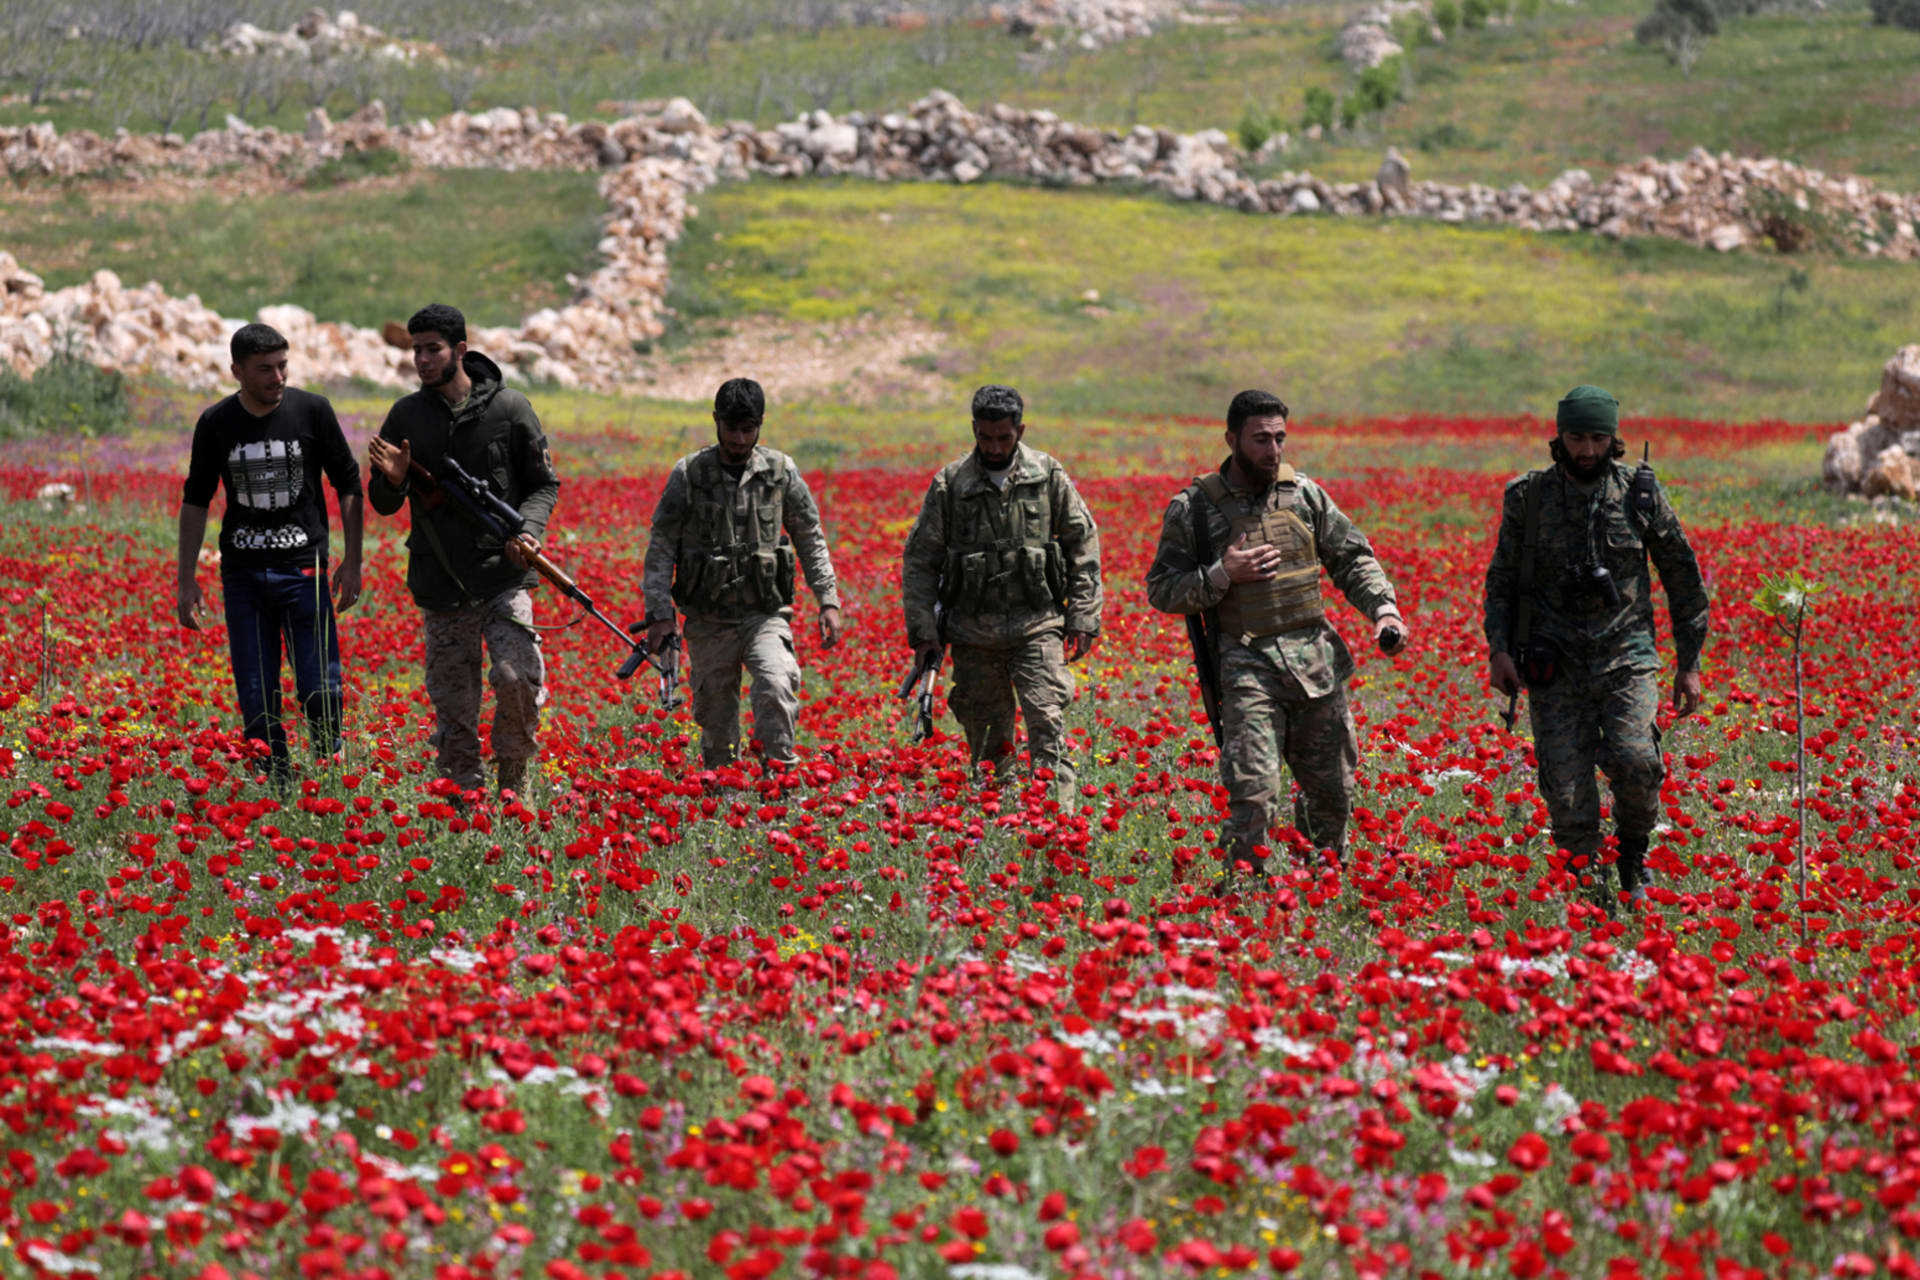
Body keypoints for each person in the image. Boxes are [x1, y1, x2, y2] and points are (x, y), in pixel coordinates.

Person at [1146, 389, 1406, 887]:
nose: (1273, 450)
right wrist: (1222, 573)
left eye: (1280, 438)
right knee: (1255, 793)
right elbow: (1162, 589)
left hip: (1316, 663)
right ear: (1231, 439)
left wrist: (1384, 610)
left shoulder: (1305, 495)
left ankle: (1320, 889)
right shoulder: (1195, 510)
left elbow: (1352, 558)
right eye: (1261, 439)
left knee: (1332, 792)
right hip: (1247, 666)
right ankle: (1244, 899)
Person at [1483, 385, 1709, 912]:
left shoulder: (1640, 494)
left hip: (1626, 658)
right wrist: (1499, 651)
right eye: (1577, 437)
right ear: (1558, 436)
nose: (1587, 449)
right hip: (1553, 663)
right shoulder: (1527, 498)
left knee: (1637, 762)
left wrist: (1689, 663)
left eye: (1598, 438)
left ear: (1614, 439)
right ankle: (1587, 891)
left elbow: (1682, 576)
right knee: (1565, 793)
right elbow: (1501, 579)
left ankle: (1633, 855)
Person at [366, 303, 559, 799]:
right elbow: (384, 504)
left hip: (503, 576)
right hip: (443, 583)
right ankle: (463, 799)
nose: (423, 360)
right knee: (454, 706)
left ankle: (513, 777)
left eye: (433, 349)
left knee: (518, 678)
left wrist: (530, 531)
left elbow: (542, 485)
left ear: (461, 351)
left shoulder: (509, 409)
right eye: (417, 351)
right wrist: (393, 481)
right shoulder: (406, 416)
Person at [177, 322, 363, 784]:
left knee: (320, 686)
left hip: (305, 570)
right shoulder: (216, 423)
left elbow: (348, 483)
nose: (277, 377)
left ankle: (329, 774)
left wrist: (353, 560)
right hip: (242, 576)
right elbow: (196, 499)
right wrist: (185, 580)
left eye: (283, 366)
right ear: (236, 370)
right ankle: (273, 780)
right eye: (264, 369)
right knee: (256, 692)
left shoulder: (313, 411)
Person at [901, 385, 1102, 795]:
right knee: (990, 748)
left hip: (1037, 625)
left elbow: (1083, 544)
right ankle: (1000, 828)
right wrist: (924, 633)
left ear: (1020, 430)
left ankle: (1057, 827)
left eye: (1004, 438)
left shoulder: (1047, 475)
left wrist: (1083, 617)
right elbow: (921, 561)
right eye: (985, 437)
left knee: (1048, 727)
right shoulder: (951, 484)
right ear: (974, 429)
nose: (994, 447)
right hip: (973, 633)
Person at [641, 378, 842, 772]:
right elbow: (662, 545)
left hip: (763, 613)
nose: (738, 438)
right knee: (716, 714)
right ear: (715, 421)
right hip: (708, 618)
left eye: (747, 429)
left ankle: (780, 781)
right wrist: (659, 612)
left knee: (777, 684)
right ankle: (723, 786)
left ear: (761, 424)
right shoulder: (690, 474)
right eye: (730, 428)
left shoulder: (780, 472)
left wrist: (828, 599)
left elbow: (810, 536)